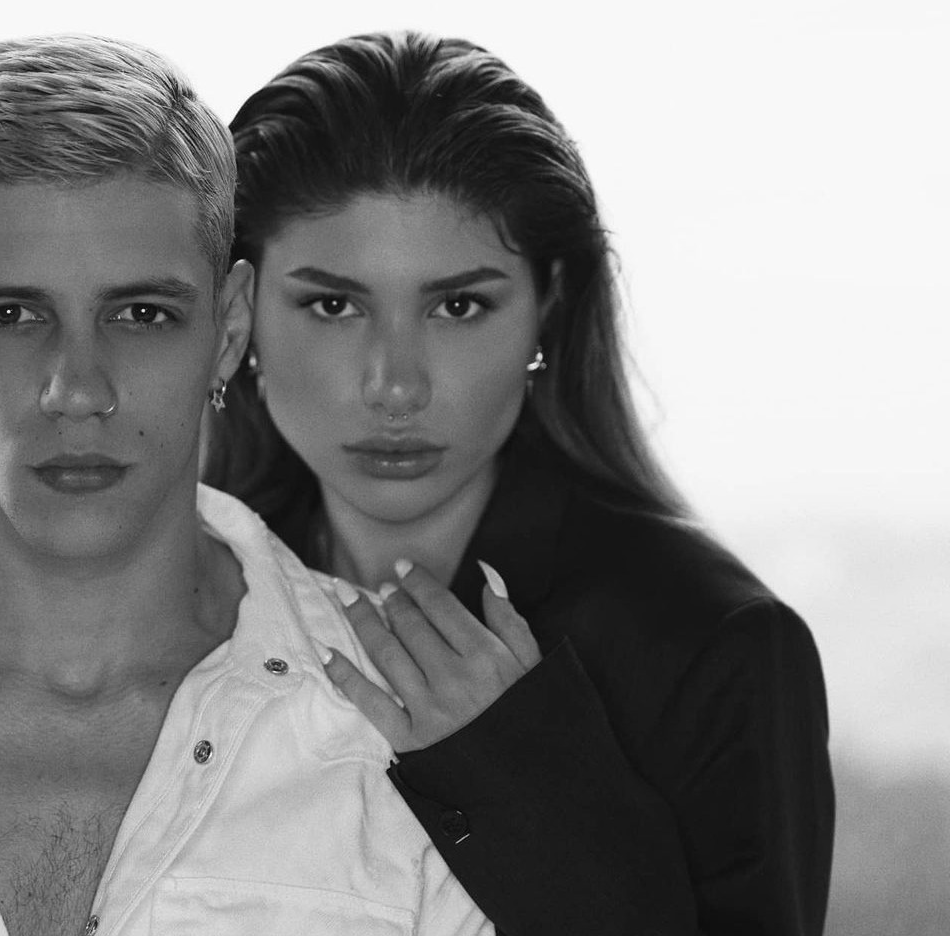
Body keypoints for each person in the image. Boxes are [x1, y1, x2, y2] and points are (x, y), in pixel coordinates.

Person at [206, 30, 835, 936]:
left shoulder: (713, 648)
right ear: (239, 314)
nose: (395, 385)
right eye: (333, 304)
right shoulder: (180, 595)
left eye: (458, 305)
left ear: (550, 305)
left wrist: (514, 771)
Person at [0, 34, 492, 936]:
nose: (77, 390)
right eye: (10, 314)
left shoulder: (415, 742)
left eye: (141, 314)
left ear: (230, 331)